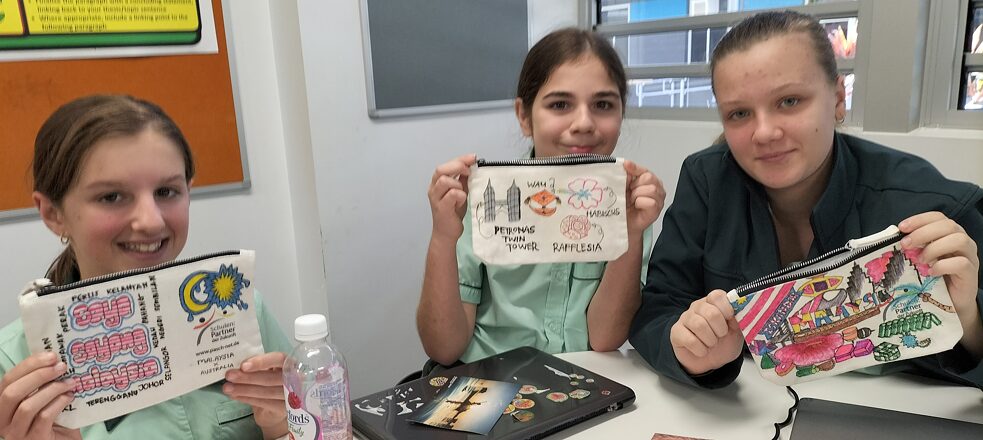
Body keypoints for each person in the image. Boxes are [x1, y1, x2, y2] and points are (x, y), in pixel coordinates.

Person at [629, 10, 983, 389]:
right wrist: (688, 351)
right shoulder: (707, 182)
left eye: (789, 101)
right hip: (747, 410)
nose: (764, 132)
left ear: (838, 99)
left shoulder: (937, 208)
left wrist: (970, 320)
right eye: (739, 113)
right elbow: (657, 309)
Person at [0, 95, 292, 439]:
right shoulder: (14, 369)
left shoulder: (241, 310)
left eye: (166, 191)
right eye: (111, 197)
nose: (152, 221)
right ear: (53, 213)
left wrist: (282, 424)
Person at [417, 28, 667, 367]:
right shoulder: (483, 201)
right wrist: (443, 238)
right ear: (524, 116)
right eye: (560, 104)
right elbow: (443, 348)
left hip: (582, 380)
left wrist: (631, 234)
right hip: (489, 377)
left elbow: (605, 338)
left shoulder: (628, 206)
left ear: (621, 113)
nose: (584, 123)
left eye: (603, 105)